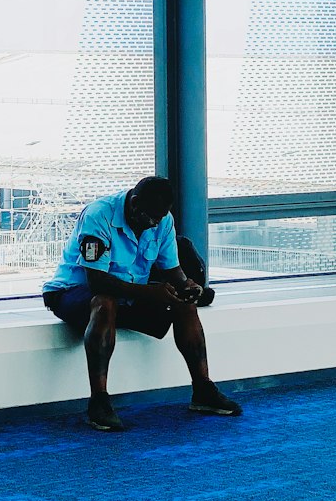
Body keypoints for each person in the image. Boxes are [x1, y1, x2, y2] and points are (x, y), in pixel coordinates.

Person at [42, 176, 242, 431]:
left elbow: (172, 269)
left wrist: (187, 286)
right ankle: (99, 403)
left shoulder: (162, 220)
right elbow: (97, 282)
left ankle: (203, 389)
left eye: (159, 219)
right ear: (134, 204)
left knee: (184, 303)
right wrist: (150, 293)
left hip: (126, 292)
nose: (154, 225)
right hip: (71, 292)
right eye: (150, 218)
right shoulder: (99, 215)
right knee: (104, 302)